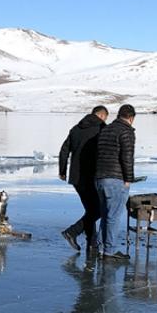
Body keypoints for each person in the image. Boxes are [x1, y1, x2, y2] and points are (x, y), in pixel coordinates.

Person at [58, 105, 109, 253]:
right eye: (105, 118)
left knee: (90, 209)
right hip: (92, 175)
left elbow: (64, 150)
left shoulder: (76, 129)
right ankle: (72, 232)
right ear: (101, 116)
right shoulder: (101, 128)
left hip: (76, 177)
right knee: (98, 210)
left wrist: (62, 171)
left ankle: (91, 244)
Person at [93, 104, 137, 260]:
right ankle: (109, 250)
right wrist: (128, 179)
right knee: (114, 215)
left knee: (105, 214)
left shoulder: (105, 129)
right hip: (115, 179)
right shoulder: (126, 132)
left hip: (99, 177)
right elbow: (127, 157)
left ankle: (100, 247)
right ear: (131, 118)